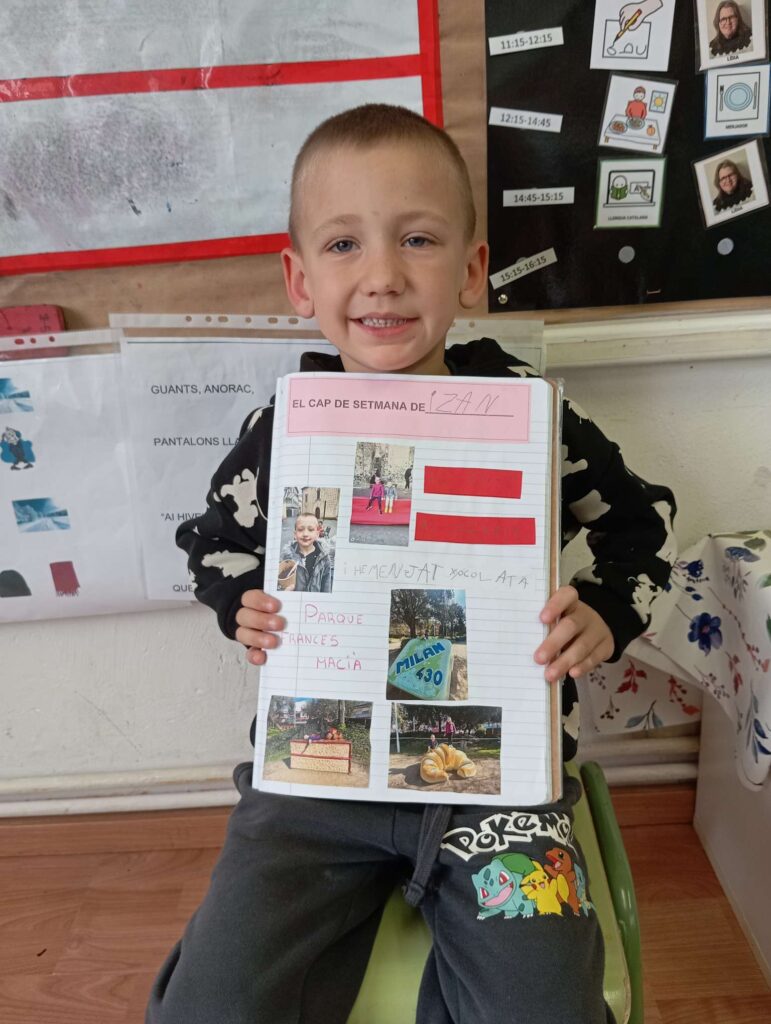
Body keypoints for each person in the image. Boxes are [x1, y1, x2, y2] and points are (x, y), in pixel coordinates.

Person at [149, 103, 677, 1024]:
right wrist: (243, 601)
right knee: (213, 1002)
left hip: (500, 787)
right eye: (343, 244)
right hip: (315, 781)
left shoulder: (531, 413)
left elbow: (641, 523)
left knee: (545, 1008)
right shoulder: (284, 430)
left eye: (418, 239)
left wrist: (604, 609)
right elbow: (213, 541)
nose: (383, 276)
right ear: (299, 279)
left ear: (471, 270)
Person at [278, 512, 333, 592]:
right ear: (295, 534)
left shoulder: (324, 558)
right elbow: (279, 584)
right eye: (300, 530)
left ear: (317, 534)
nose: (305, 534)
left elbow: (326, 587)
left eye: (310, 530)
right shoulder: (286, 557)